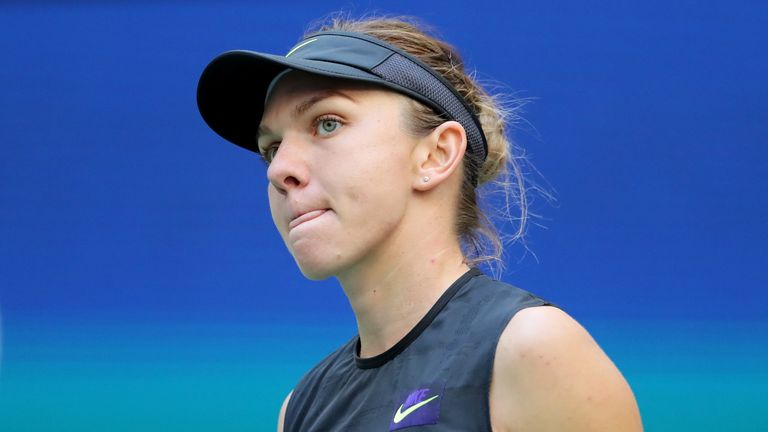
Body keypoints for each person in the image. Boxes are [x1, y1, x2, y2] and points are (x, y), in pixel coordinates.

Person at [196, 15, 643, 432]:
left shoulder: (532, 349)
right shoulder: (300, 408)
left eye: (327, 123)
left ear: (436, 155)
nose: (279, 170)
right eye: (271, 149)